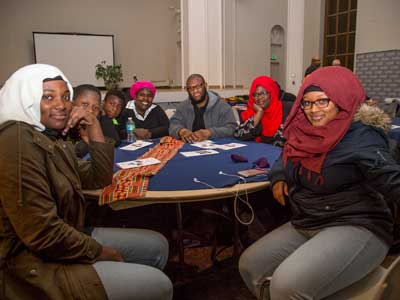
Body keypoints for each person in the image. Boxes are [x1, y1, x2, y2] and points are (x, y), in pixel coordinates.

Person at [0, 64, 173, 300]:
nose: (61, 105)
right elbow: (43, 234)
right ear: (25, 99)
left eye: (66, 97)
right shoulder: (17, 140)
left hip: (69, 235)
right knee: (160, 285)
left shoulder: (50, 138)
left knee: (158, 245)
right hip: (34, 267)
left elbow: (98, 178)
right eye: (48, 97)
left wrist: (93, 123)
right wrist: (100, 252)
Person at [239, 66, 400, 300]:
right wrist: (278, 177)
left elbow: (391, 179)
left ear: (341, 100)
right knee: (250, 265)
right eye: (307, 103)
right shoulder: (302, 131)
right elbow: (285, 157)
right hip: (308, 218)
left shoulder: (361, 137)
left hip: (356, 223)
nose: (313, 110)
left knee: (286, 285)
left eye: (323, 101)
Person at [169, 74, 237, 142]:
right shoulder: (183, 107)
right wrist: (182, 131)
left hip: (217, 147)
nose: (195, 91)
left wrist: (209, 133)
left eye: (198, 86)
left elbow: (231, 128)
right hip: (189, 148)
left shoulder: (222, 106)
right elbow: (172, 125)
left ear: (205, 85)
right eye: (190, 88)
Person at [234, 76, 290, 146]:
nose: (259, 97)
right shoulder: (252, 113)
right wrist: (259, 113)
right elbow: (238, 134)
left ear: (271, 93)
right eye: (255, 94)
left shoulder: (287, 110)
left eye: (263, 93)